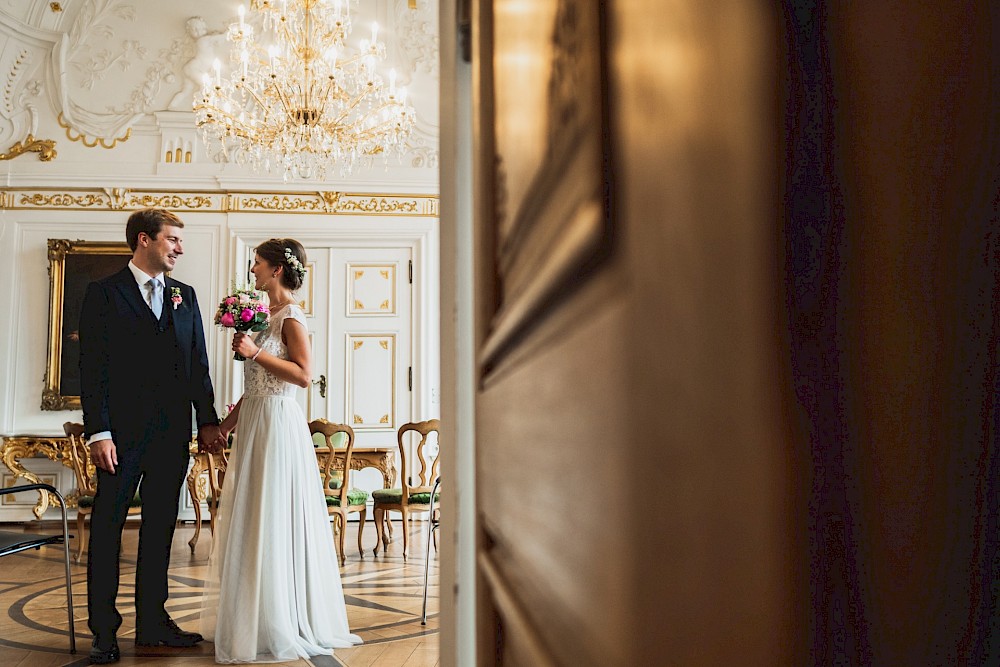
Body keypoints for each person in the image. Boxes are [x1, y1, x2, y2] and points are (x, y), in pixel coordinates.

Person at [201, 238, 362, 663]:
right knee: (253, 515)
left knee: (274, 514)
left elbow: (304, 376)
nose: (252, 269)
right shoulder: (260, 316)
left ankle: (284, 618)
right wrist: (224, 426)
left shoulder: (291, 316)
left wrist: (255, 352)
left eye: (257, 263)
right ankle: (253, 616)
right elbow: (253, 388)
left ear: (276, 270)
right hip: (254, 422)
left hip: (278, 425)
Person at [78, 208, 226, 664]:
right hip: (118, 438)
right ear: (144, 240)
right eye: (173, 239)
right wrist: (99, 432)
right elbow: (93, 369)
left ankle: (153, 623)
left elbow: (197, 363)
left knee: (160, 529)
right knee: (107, 532)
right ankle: (104, 631)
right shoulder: (104, 293)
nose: (180, 248)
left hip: (170, 436)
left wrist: (207, 421)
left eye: (180, 241)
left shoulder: (186, 295)